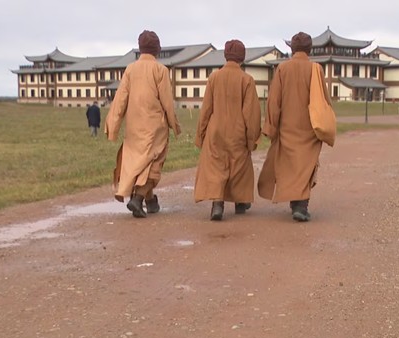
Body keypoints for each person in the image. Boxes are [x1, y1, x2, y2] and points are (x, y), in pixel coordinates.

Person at [104, 30, 181, 218]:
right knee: (153, 163)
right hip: (155, 127)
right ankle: (137, 199)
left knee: (137, 163)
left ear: (140, 48)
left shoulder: (130, 69)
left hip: (133, 126)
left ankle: (151, 201)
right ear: (157, 49)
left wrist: (112, 125)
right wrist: (174, 124)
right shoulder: (161, 70)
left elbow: (120, 99)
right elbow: (167, 102)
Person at [257, 32, 332, 222]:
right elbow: (324, 99)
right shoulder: (316, 69)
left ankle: (295, 203)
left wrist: (271, 127)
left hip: (287, 127)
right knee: (306, 166)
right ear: (310, 49)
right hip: (309, 127)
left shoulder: (283, 69)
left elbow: (274, 101)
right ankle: (301, 204)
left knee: (289, 166)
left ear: (291, 48)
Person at [194, 39, 262, 221]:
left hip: (215, 131)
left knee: (216, 166)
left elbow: (206, 109)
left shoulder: (214, 77)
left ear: (225, 55)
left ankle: (217, 203)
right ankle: (241, 201)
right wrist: (251, 139)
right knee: (240, 166)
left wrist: (201, 135)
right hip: (238, 132)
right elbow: (251, 114)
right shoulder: (247, 80)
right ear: (242, 57)